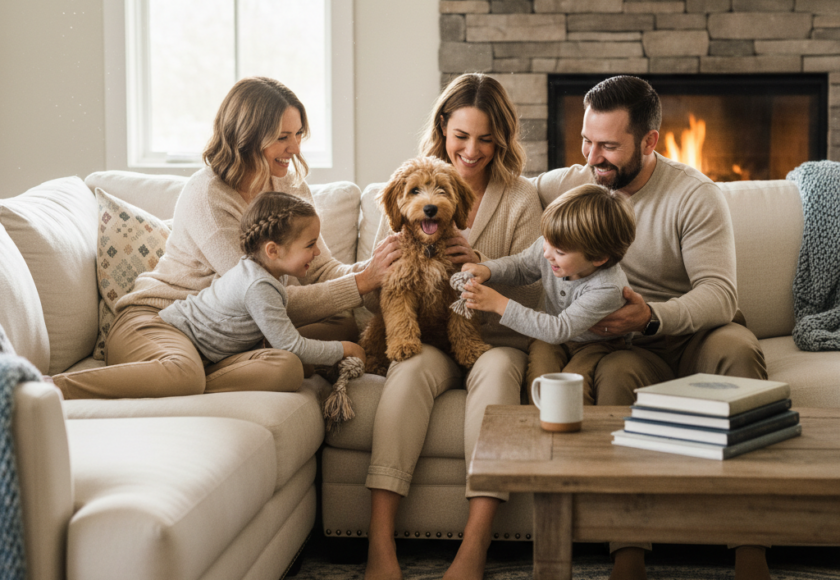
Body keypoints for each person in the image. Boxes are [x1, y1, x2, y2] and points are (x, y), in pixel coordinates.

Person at [531, 75, 769, 580]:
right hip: (629, 346)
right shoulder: (572, 185)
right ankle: (628, 550)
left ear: (649, 142)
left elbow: (720, 294)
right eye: (586, 142)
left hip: (692, 333)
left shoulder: (693, 195)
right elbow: (505, 189)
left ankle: (751, 544)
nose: (594, 158)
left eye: (609, 147)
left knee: (739, 350)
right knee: (616, 375)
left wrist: (654, 315)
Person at [52, 76, 399, 400]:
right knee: (184, 372)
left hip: (230, 332)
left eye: (298, 134)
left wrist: (375, 271)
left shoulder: (290, 185)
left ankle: (196, 374)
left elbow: (321, 270)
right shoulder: (208, 195)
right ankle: (46, 390)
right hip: (161, 321)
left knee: (325, 337)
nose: (294, 148)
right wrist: (362, 282)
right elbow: (262, 296)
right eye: (282, 137)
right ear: (247, 136)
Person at [363, 73, 543, 580]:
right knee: (408, 373)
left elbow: (537, 291)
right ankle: (380, 544)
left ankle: (474, 546)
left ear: (501, 139)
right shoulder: (406, 189)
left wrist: (484, 264)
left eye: (486, 138)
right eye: (461, 135)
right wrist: (378, 277)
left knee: (496, 377)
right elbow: (383, 291)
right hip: (425, 333)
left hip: (495, 338)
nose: (472, 150)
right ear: (443, 128)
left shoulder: (521, 197)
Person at [460, 183, 636, 405]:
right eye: (546, 240)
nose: (546, 253)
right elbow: (521, 266)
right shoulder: (551, 247)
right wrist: (488, 269)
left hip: (595, 343)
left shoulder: (607, 287)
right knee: (541, 382)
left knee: (572, 387)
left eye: (560, 252)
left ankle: (571, 436)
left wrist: (498, 304)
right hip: (550, 338)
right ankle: (542, 433)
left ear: (599, 258)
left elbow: (558, 329)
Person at [158, 191, 366, 374]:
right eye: (310, 245)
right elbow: (291, 346)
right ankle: (208, 376)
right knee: (291, 367)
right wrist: (345, 349)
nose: (317, 252)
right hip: (180, 337)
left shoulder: (269, 270)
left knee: (305, 364)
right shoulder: (259, 285)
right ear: (273, 251)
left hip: (209, 347)